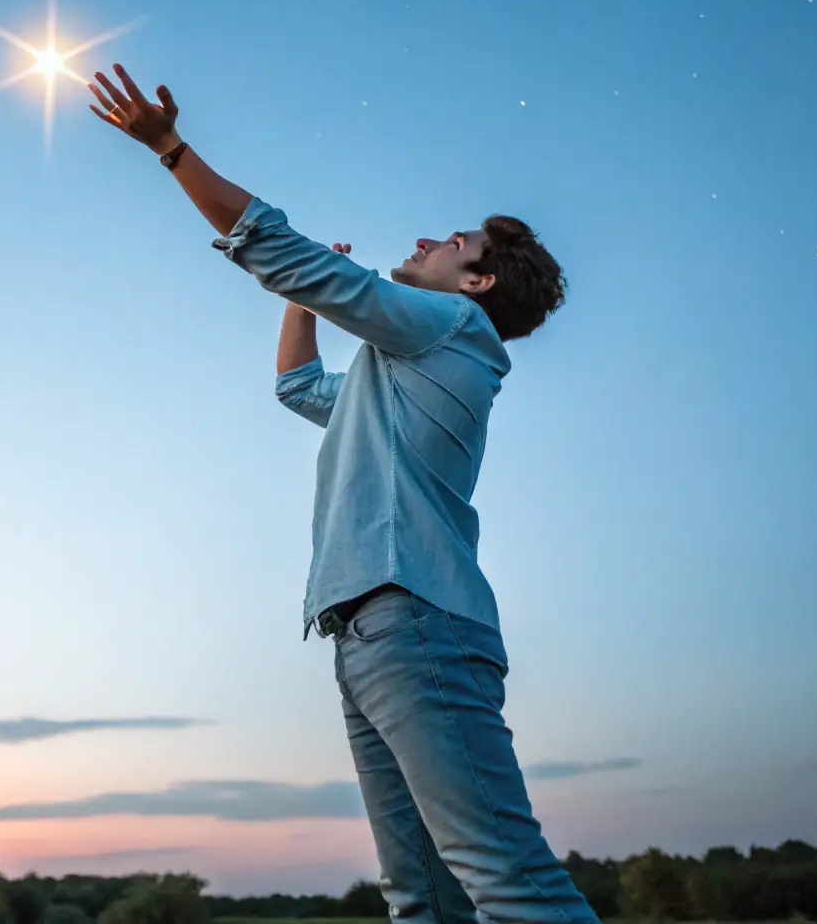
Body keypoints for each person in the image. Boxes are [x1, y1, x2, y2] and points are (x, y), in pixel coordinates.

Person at [87, 64, 597, 923]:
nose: (434, 237)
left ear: (476, 284)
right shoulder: (399, 365)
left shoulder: (452, 327)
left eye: (457, 243)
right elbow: (298, 389)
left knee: (510, 884)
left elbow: (279, 251)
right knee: (423, 900)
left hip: (418, 623)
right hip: (368, 633)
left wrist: (170, 149)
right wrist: (308, 298)